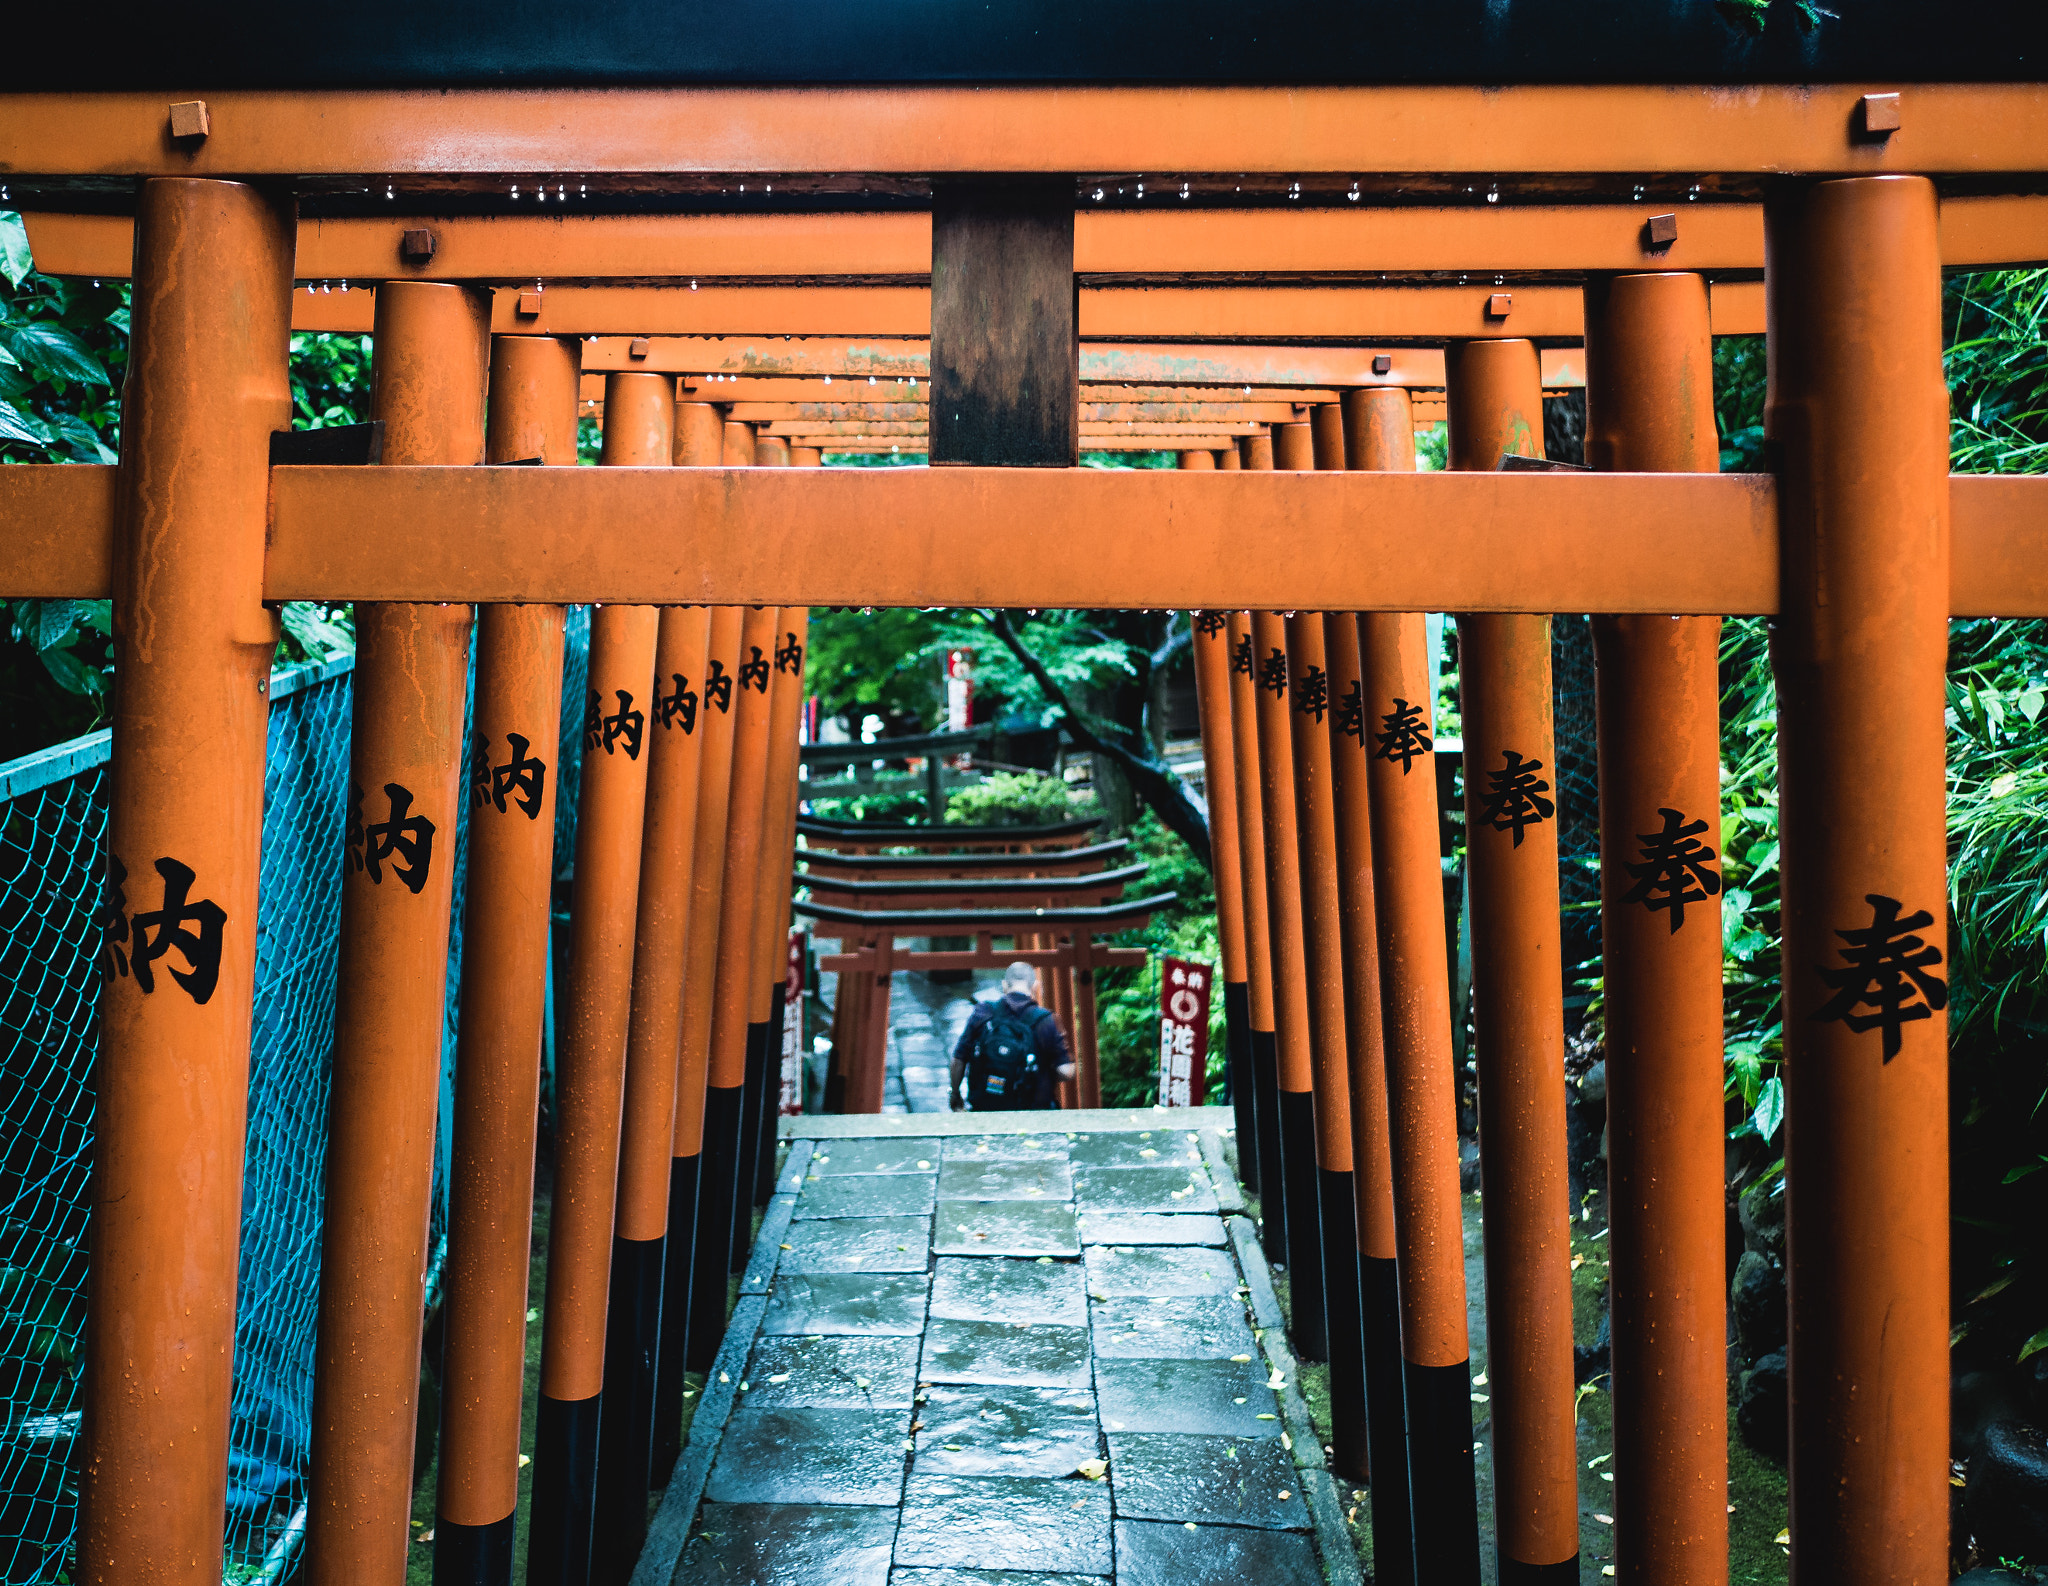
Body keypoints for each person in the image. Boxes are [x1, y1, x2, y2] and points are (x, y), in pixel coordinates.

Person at [950, 961, 1077, 1111]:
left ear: (1004, 985)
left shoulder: (983, 1012)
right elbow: (1067, 1072)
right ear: (1035, 986)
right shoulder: (1045, 1020)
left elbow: (958, 1059)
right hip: (1032, 1110)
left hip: (986, 1108)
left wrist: (955, 1094)